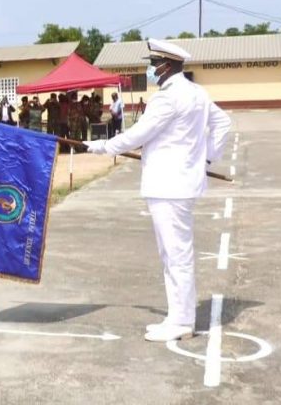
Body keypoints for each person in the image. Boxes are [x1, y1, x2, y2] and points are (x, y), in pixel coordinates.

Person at [84, 39, 231, 342]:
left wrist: (100, 147)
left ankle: (182, 321)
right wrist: (206, 158)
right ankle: (177, 316)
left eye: (153, 64)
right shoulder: (197, 93)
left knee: (176, 254)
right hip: (180, 183)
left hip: (168, 185)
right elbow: (223, 124)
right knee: (174, 254)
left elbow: (138, 135)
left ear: (167, 65)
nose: (150, 69)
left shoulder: (168, 98)